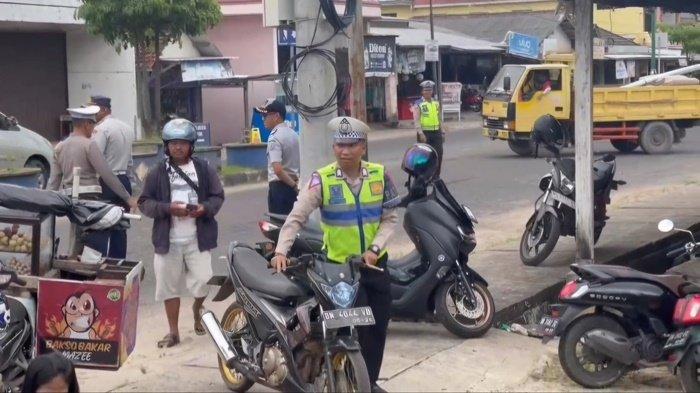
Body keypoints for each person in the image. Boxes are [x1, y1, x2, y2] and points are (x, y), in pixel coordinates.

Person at [271, 116, 400, 393]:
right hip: (338, 269)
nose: (344, 150)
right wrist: (281, 250)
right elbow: (297, 217)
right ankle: (341, 377)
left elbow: (390, 218)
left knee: (376, 329)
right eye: (339, 145)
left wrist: (375, 249)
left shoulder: (380, 175)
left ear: (362, 147)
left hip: (375, 266)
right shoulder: (322, 179)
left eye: (351, 145)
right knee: (347, 330)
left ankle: (369, 381)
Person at [138, 118, 224, 348]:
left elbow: (217, 196)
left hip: (198, 238)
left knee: (204, 281)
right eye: (173, 143)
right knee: (168, 288)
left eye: (183, 143)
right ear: (166, 145)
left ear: (191, 145)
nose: (178, 147)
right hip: (168, 241)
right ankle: (173, 332)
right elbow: (145, 202)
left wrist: (205, 208)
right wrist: (168, 209)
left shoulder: (204, 169)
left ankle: (197, 309)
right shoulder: (157, 172)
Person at [47, 105, 136, 257]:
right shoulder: (89, 145)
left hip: (68, 200)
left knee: (76, 237)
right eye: (93, 124)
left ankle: (73, 265)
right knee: (93, 241)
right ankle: (87, 271)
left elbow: (54, 181)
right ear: (87, 124)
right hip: (89, 201)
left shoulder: (60, 147)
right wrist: (127, 198)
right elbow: (107, 174)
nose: (94, 129)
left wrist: (46, 202)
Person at [90, 95, 135, 259]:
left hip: (106, 182)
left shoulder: (101, 129)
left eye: (94, 110)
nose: (92, 115)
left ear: (103, 109)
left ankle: (100, 265)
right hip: (123, 180)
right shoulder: (127, 127)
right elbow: (130, 161)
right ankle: (119, 264)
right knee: (120, 226)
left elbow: (96, 158)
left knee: (101, 225)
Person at [255, 99, 300, 215]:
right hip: (295, 186)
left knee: (279, 228)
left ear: (276, 116)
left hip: (280, 189)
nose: (263, 119)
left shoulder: (274, 138)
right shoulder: (294, 135)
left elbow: (278, 170)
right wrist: (296, 186)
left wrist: (294, 186)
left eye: (265, 115)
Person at [414, 80, 444, 178]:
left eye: (430, 90)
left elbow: (440, 118)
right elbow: (417, 120)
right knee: (423, 157)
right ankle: (422, 176)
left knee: (438, 154)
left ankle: (436, 176)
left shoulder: (436, 103)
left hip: (436, 133)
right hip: (424, 134)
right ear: (422, 92)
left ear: (432, 92)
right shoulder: (418, 104)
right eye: (426, 90)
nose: (428, 92)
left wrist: (442, 131)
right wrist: (420, 133)